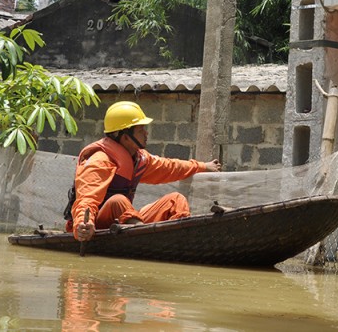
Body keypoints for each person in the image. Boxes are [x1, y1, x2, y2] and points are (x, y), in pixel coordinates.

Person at [65, 101, 221, 242]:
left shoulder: (139, 159)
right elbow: (86, 200)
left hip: (126, 222)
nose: (146, 134)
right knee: (117, 201)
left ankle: (180, 239)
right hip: (97, 225)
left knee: (176, 200)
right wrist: (82, 225)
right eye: (141, 130)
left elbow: (171, 167)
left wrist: (203, 166)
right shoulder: (100, 161)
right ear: (125, 137)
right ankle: (144, 236)